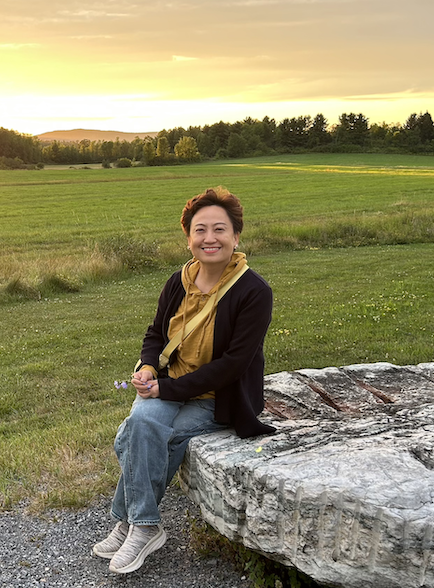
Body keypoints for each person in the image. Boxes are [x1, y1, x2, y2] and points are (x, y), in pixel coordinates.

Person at [93, 187, 276, 574]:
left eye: (220, 229)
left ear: (236, 236)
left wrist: (166, 388)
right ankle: (143, 525)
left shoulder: (254, 291)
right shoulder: (178, 281)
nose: (210, 238)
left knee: (132, 436)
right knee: (141, 427)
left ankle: (132, 522)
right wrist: (147, 367)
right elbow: (156, 334)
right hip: (170, 384)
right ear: (189, 238)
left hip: (217, 397)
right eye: (200, 230)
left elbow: (234, 364)